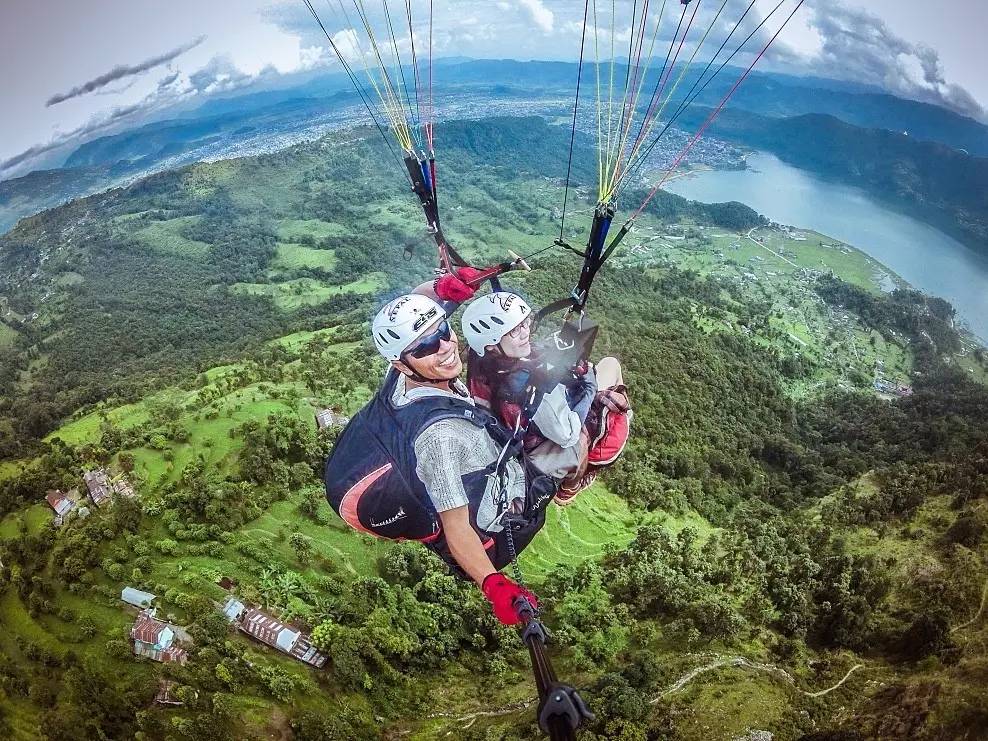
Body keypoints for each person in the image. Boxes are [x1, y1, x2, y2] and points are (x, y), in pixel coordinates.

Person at [329, 292, 555, 626]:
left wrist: (443, 287)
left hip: (461, 455)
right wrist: (493, 585)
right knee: (570, 443)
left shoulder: (400, 380)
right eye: (426, 346)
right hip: (492, 516)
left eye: (444, 329)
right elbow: (457, 527)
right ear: (399, 362)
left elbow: (422, 302)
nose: (446, 345)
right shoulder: (438, 438)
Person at [462, 291, 631, 504]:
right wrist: (590, 388)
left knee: (607, 366)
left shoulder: (482, 363)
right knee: (611, 366)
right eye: (514, 331)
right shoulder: (534, 387)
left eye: (525, 323)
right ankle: (570, 487)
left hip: (509, 430)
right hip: (534, 445)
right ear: (491, 344)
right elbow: (568, 435)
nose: (525, 333)